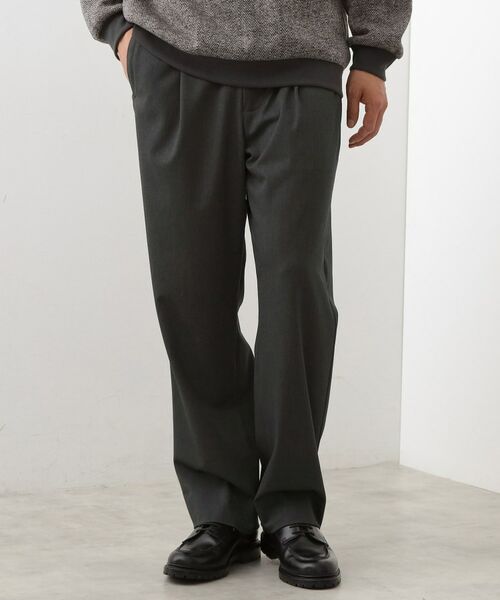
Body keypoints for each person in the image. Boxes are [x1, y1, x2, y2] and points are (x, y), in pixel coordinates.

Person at [80, 0, 411, 590]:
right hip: (172, 54)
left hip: (301, 63)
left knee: (297, 290)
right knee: (189, 289)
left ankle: (292, 512)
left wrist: (373, 53)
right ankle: (221, 512)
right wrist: (114, 25)